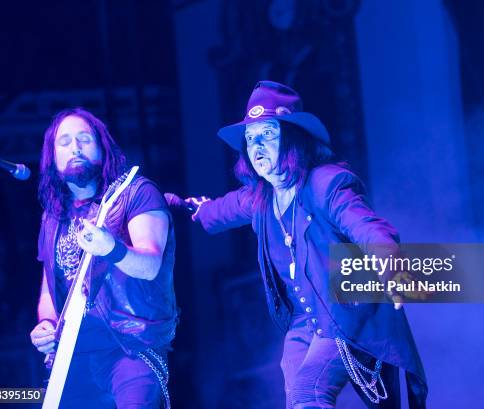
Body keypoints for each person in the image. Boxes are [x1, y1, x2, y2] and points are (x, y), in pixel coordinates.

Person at [169, 81, 427, 409]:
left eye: (267, 134)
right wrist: (182, 206)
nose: (257, 147)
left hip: (344, 311)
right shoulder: (260, 197)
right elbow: (220, 210)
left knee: (308, 391)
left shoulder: (326, 183)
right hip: (305, 322)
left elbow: (366, 226)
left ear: (292, 137)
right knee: (296, 400)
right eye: (250, 139)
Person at [29, 108, 178, 409]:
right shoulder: (52, 218)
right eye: (65, 141)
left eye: (84, 139)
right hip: (74, 354)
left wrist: (112, 248)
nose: (75, 147)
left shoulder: (136, 193)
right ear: (52, 157)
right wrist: (46, 322)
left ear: (102, 147)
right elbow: (49, 287)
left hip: (131, 348)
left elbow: (150, 266)